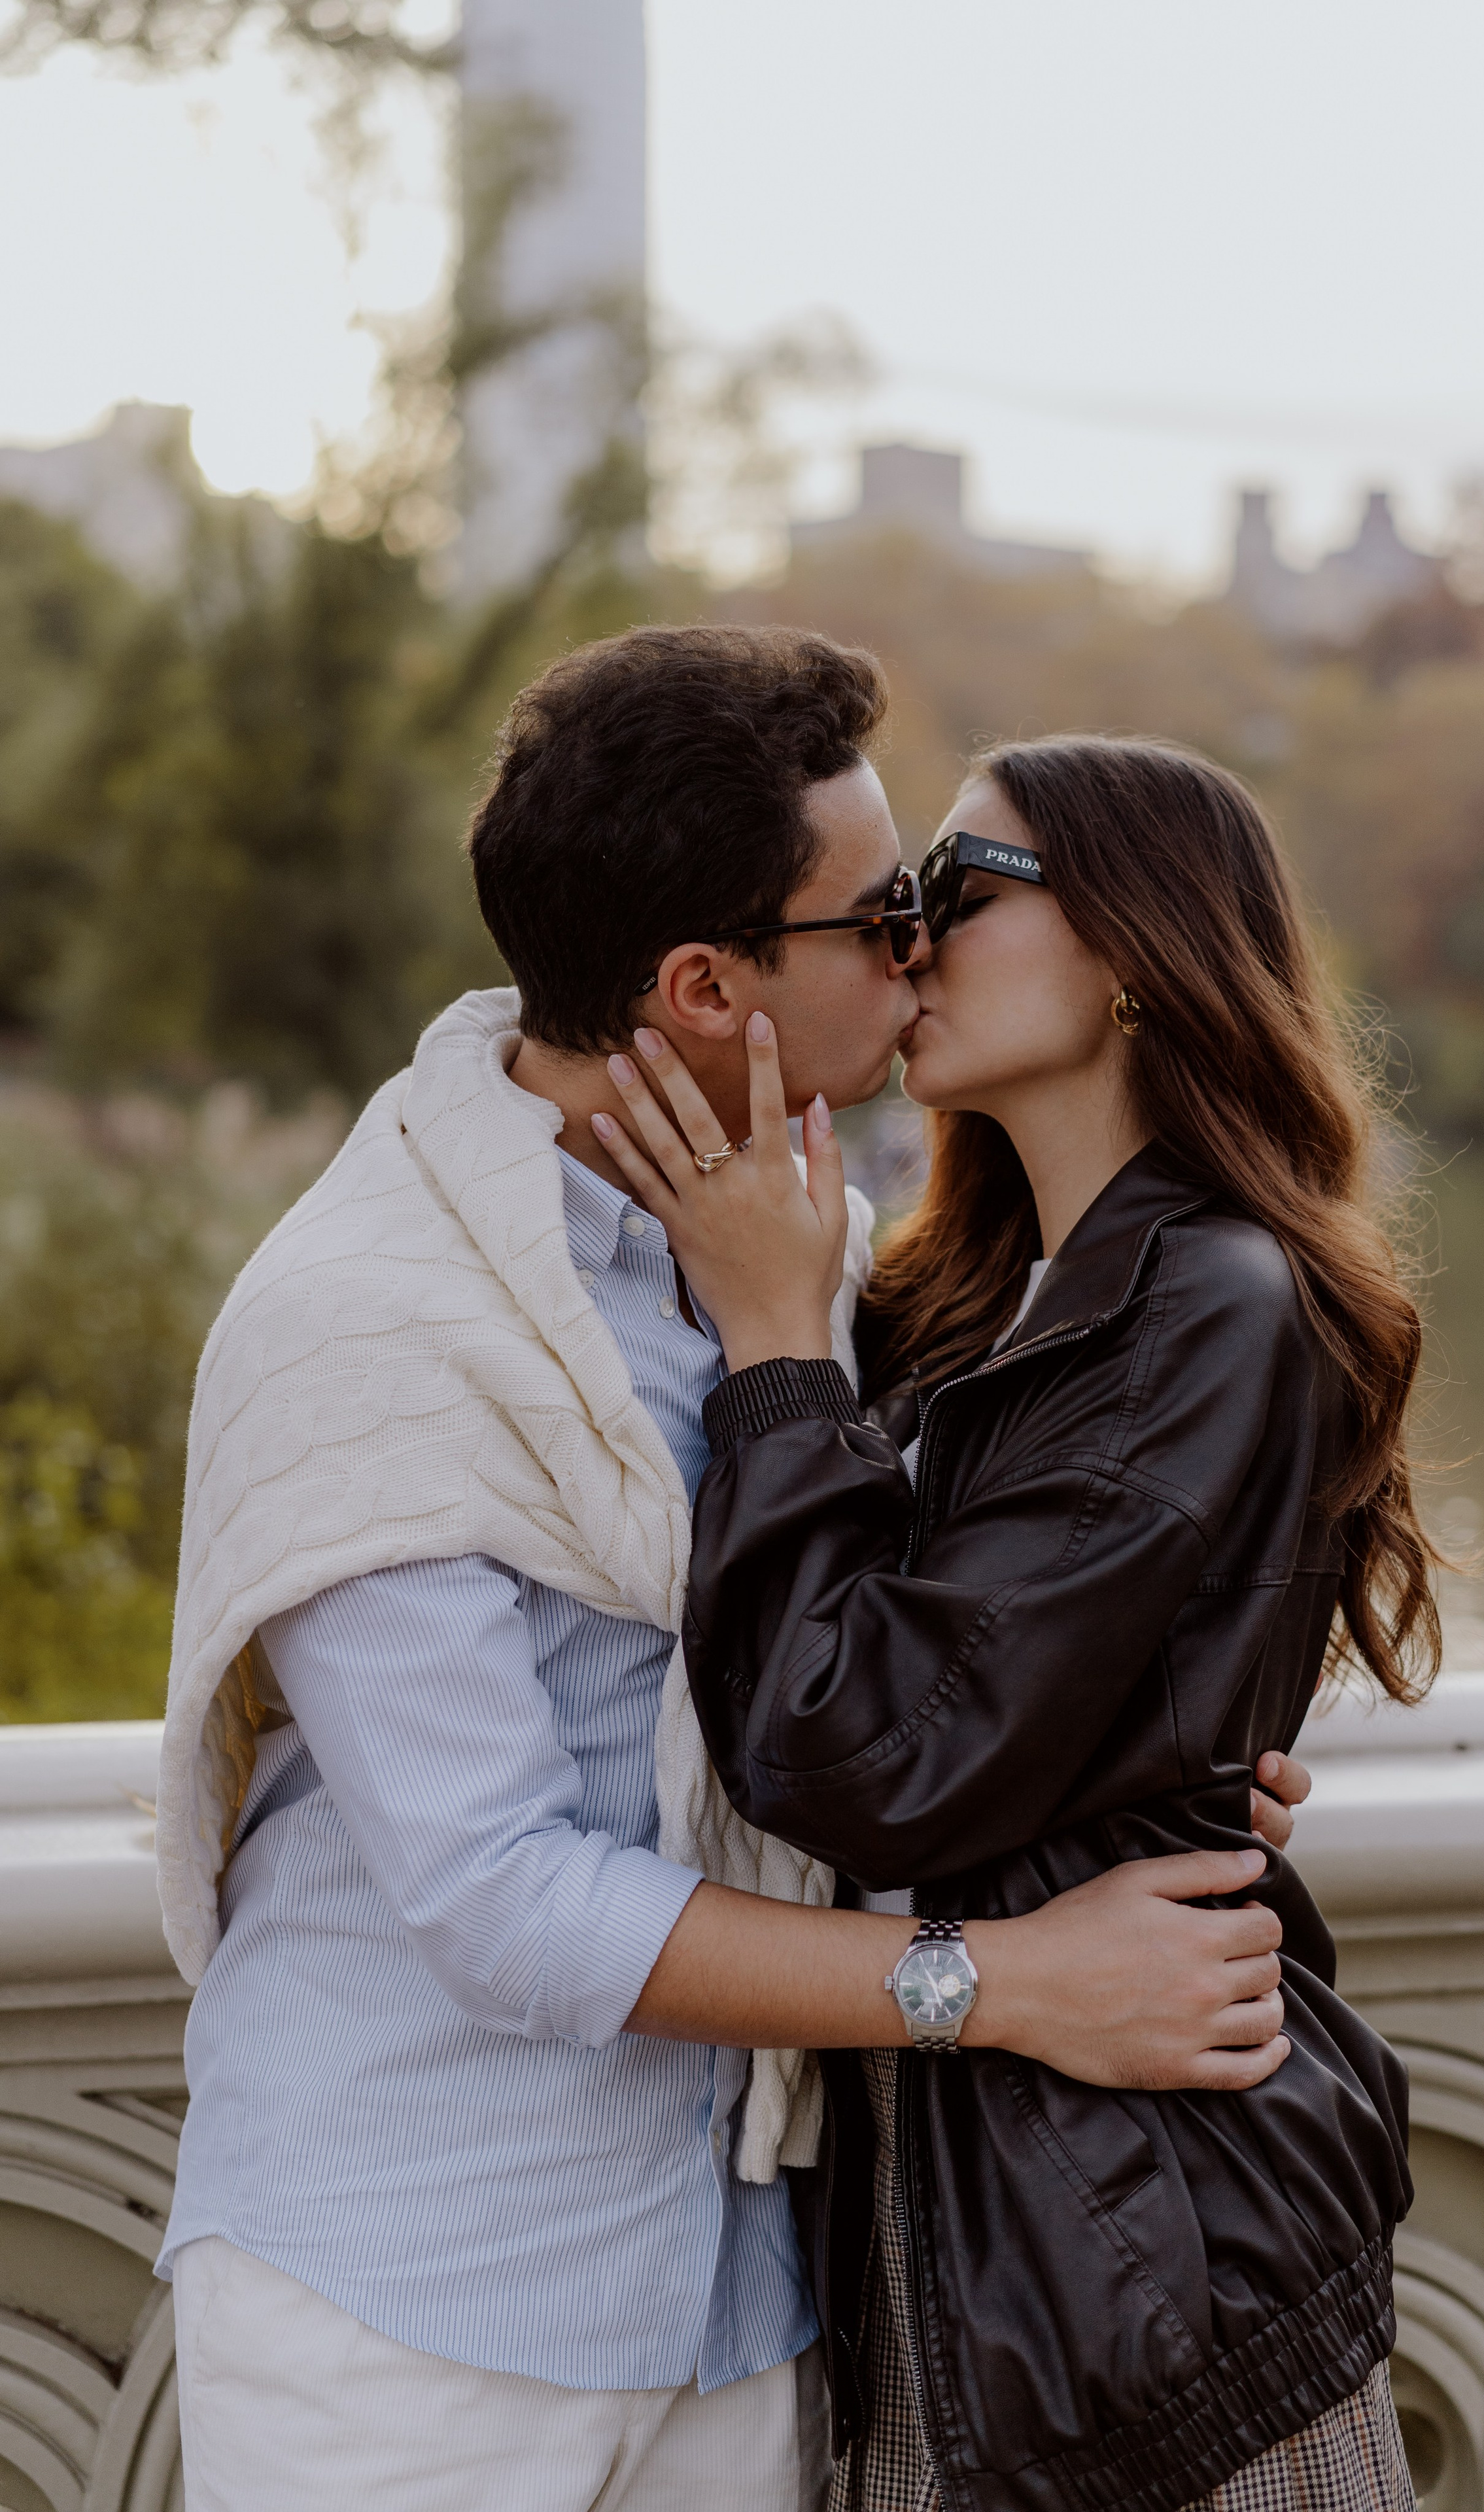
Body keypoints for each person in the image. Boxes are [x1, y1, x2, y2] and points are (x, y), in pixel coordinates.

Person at [154, 630, 1315, 2512]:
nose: (925, 945)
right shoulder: (372, 1328)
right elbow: (501, 1895)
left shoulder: (803, 1270)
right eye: (885, 916)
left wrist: (1146, 1751)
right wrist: (997, 1980)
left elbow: (901, 1664)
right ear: (707, 986)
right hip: (419, 2297)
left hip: (752, 2288)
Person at [595, 731, 1441, 2512]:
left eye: (960, 896)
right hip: (959, 2205)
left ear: (1138, 948)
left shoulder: (1213, 1298)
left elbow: (869, 1747)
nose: (906, 946)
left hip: (1141, 2266)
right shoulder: (959, 1301)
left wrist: (769, 1358)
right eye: (896, 908)